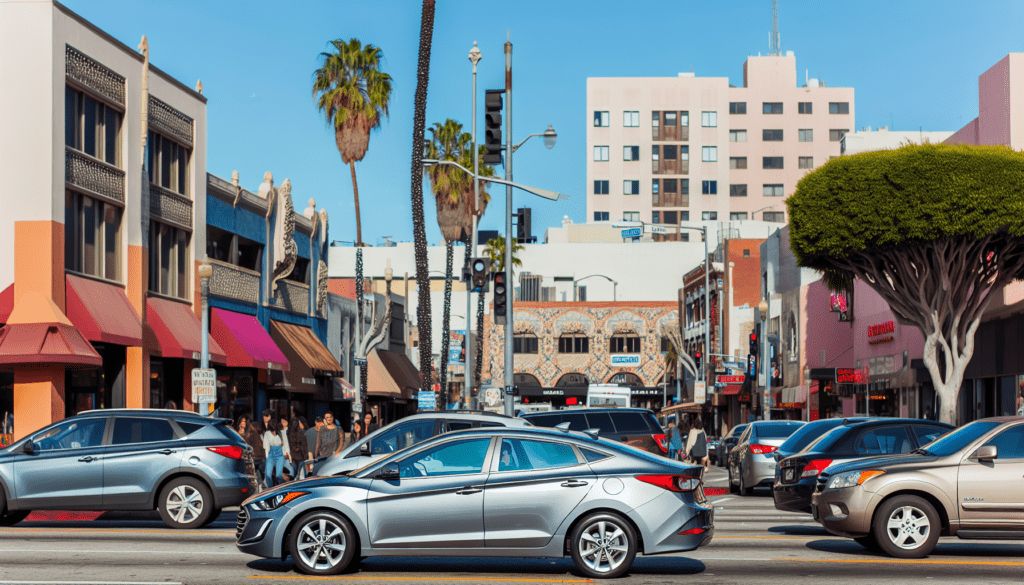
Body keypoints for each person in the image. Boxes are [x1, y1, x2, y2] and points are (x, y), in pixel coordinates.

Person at [262, 418, 290, 488]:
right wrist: (267, 457)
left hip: (279, 454)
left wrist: (287, 453)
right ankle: (270, 489)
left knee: (278, 475)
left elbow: (285, 444)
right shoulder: (267, 434)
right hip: (271, 454)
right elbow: (265, 446)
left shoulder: (281, 432)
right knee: (267, 475)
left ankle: (285, 487)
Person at [237, 415, 265, 484]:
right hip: (246, 456)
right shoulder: (237, 432)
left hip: (253, 456)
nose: (243, 424)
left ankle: (260, 486)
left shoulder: (250, 432)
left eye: (244, 422)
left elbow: (246, 444)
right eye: (242, 422)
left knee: (254, 472)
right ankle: (260, 485)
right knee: (256, 473)